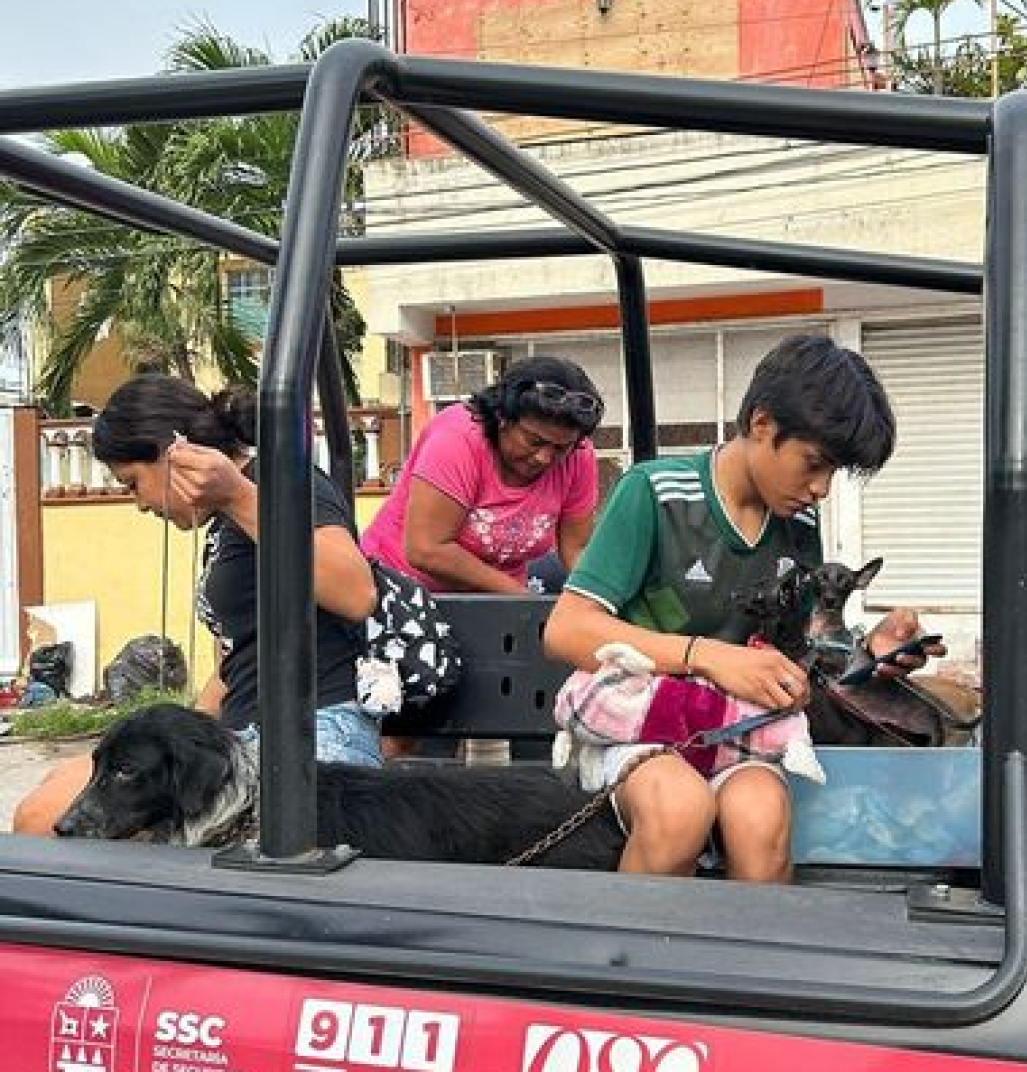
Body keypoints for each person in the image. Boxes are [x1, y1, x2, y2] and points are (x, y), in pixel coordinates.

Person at [543, 333, 945, 883]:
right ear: (761, 424)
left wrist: (870, 654)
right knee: (679, 812)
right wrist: (707, 656)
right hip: (643, 724)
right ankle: (627, 964)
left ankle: (744, 965)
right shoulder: (654, 495)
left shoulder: (798, 527)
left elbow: (795, 654)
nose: (822, 489)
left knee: (763, 821)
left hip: (742, 732)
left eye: (834, 473)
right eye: (813, 464)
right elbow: (566, 629)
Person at [14, 374, 381, 836]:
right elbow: (234, 660)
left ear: (176, 456)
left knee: (50, 824)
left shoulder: (282, 481)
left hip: (315, 731)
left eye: (133, 483)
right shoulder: (226, 521)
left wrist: (238, 495)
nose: (140, 504)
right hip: (243, 737)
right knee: (47, 804)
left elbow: (356, 593)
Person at [362, 354, 604, 593]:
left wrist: (597, 601)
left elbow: (576, 550)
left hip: (495, 598)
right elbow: (426, 549)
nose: (544, 457)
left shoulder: (578, 456)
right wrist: (521, 598)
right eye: (534, 441)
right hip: (401, 592)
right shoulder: (457, 440)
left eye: (560, 448)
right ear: (502, 419)